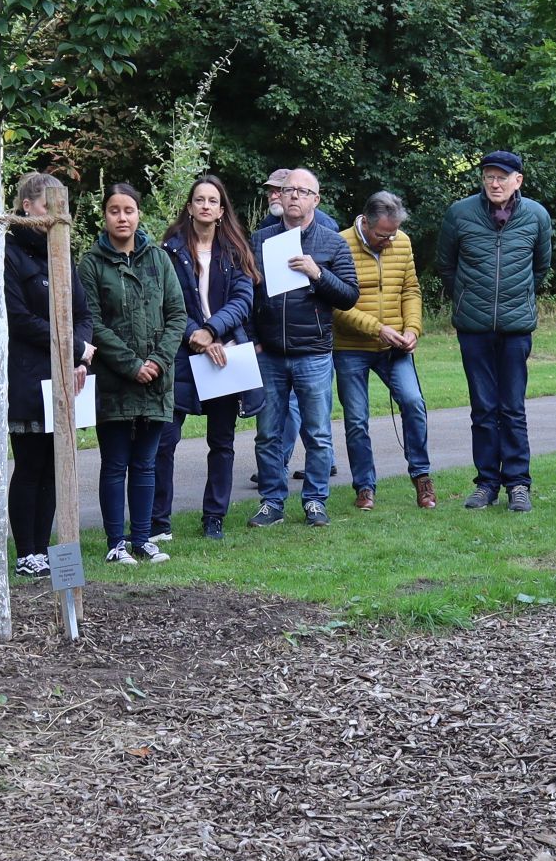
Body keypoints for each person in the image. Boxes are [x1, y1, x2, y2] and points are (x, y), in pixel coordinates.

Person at [431, 151, 556, 512]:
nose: (495, 183)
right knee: (483, 408)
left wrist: (517, 299)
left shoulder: (536, 215)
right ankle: (486, 483)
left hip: (516, 328)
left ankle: (518, 483)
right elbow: (446, 265)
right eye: (489, 176)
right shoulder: (460, 213)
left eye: (502, 177)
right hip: (473, 328)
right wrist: (468, 298)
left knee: (512, 408)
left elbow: (541, 267)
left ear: (518, 180)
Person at [80, 181, 188, 564]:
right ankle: (116, 543)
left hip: (156, 381)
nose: (122, 217)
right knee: (115, 464)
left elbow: (177, 315)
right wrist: (131, 365)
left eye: (128, 210)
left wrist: (157, 361)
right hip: (114, 381)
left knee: (145, 463)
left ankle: (142, 539)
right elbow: (92, 322)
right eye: (114, 211)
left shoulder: (159, 259)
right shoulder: (91, 264)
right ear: (105, 216)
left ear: (139, 214)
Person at [248, 167, 359, 526]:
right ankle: (271, 502)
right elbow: (244, 293)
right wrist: (252, 339)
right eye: (288, 190)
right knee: (268, 434)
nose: (293, 195)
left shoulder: (332, 243)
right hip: (269, 354)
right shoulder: (259, 240)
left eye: (302, 191)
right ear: (279, 197)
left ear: (316, 200)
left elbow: (349, 296)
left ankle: (314, 500)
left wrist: (318, 274)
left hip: (313, 353)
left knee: (318, 434)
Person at [156, 174, 259, 543]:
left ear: (221, 210)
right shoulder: (168, 251)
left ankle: (214, 517)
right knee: (165, 440)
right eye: (199, 199)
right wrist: (195, 337)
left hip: (224, 355)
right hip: (181, 355)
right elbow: (166, 303)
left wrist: (212, 331)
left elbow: (243, 301)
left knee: (222, 442)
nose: (205, 205)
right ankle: (159, 522)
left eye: (212, 201)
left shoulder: (235, 251)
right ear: (190, 207)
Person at [3, 172, 94, 578]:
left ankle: (45, 548)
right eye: (48, 205)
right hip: (28, 373)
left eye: (62, 206)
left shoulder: (62, 252)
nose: (56, 214)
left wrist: (81, 358)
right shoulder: (8, 253)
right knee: (30, 463)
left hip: (66, 374)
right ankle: (27, 552)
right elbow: (19, 318)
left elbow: (83, 312)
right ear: (27, 206)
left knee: (56, 465)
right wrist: (72, 346)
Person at [335, 191, 435, 511]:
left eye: (394, 233)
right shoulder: (339, 244)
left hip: (395, 347)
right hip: (350, 348)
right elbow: (334, 304)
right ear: (365, 222)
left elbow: (411, 290)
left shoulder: (401, 242)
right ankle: (364, 487)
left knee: (414, 402)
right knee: (356, 419)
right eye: (383, 235)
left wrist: (412, 329)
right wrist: (377, 328)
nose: (390, 240)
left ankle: (422, 477)